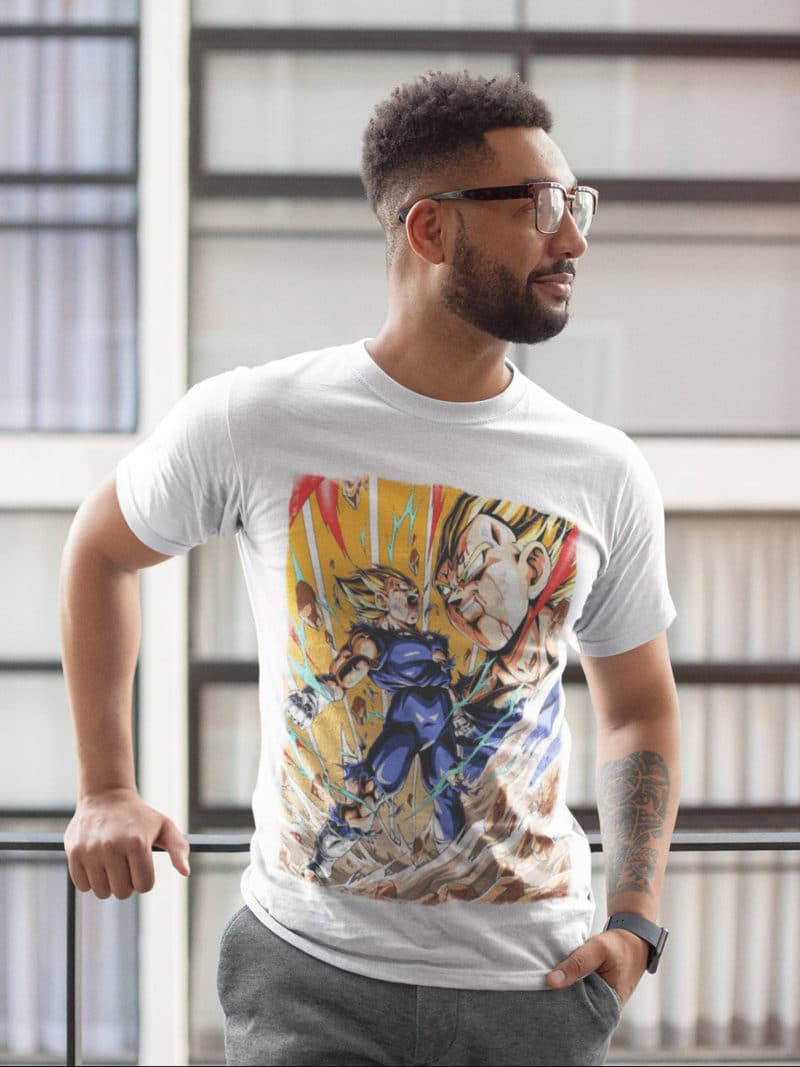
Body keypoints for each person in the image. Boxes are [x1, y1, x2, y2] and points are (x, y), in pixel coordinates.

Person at [60, 70, 681, 1066]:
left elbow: (638, 707)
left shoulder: (602, 468)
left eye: (576, 203)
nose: (571, 237)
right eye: (537, 206)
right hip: (309, 978)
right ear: (430, 229)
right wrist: (104, 787)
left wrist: (636, 921)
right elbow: (99, 550)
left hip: (537, 988)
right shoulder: (255, 418)